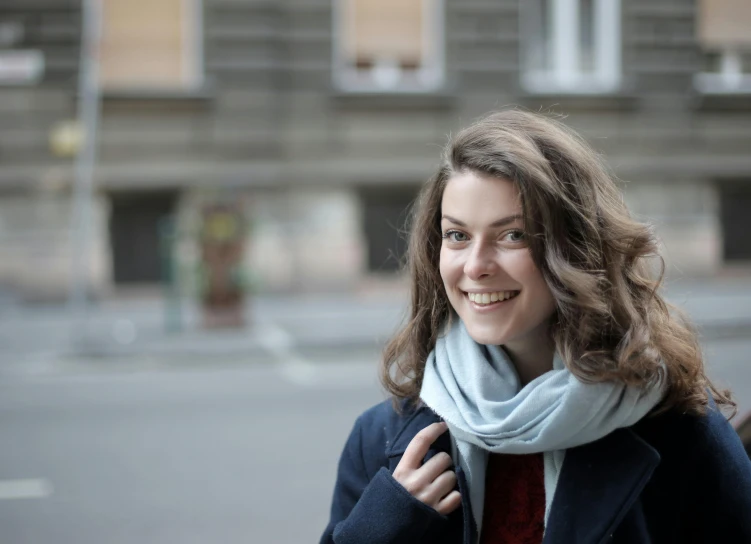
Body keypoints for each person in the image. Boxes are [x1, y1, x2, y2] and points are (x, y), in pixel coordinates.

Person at [319, 110, 751, 544]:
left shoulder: (678, 430)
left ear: (577, 250)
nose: (475, 266)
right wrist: (380, 528)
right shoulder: (381, 440)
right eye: (457, 236)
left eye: (513, 236)